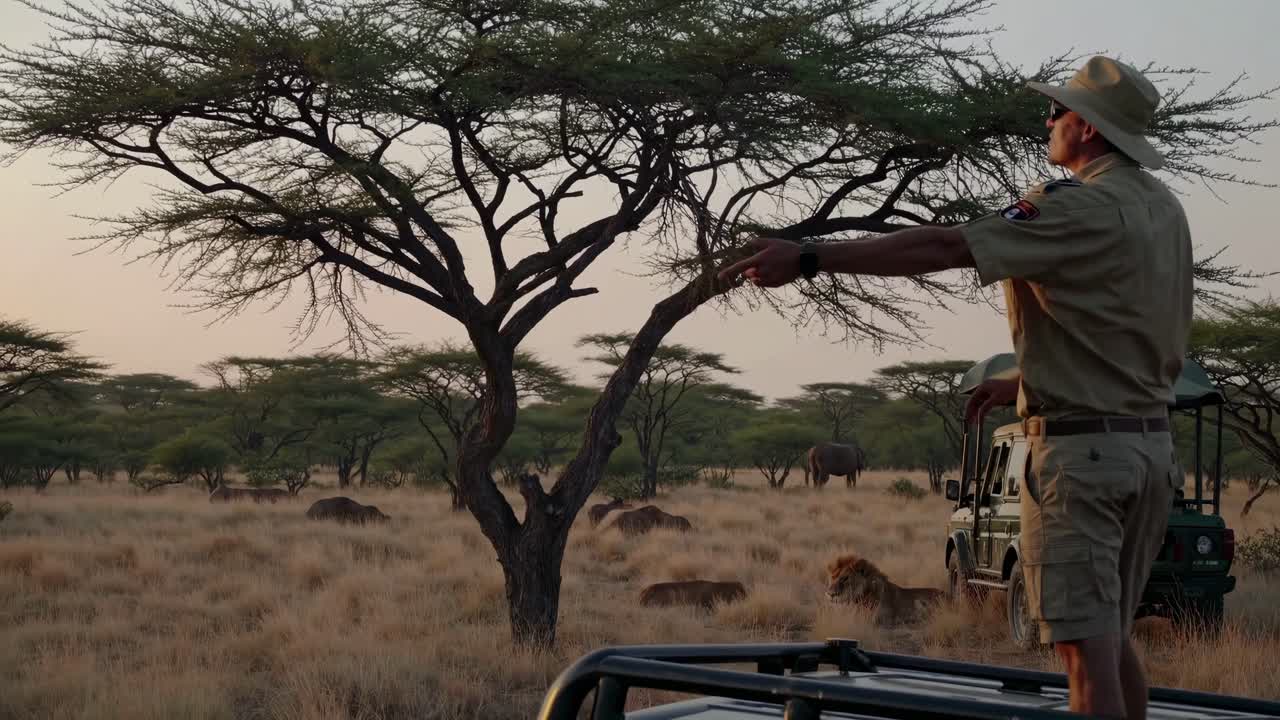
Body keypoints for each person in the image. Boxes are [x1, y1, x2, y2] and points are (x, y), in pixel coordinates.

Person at [718, 55, 1191, 720]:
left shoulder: (1068, 206)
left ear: (1086, 128)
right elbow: (1135, 329)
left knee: (1084, 657)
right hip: (1147, 450)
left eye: (1057, 111)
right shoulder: (1162, 209)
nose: (1047, 120)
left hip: (1080, 461)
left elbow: (947, 247)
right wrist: (1025, 379)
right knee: (1109, 643)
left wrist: (810, 258)